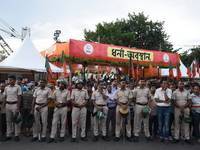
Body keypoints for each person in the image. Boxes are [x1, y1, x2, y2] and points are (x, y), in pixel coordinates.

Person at [172, 80, 194, 145]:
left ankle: (187, 138)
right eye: (180, 84)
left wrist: (183, 107)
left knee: (186, 124)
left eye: (183, 84)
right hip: (177, 109)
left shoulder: (187, 92)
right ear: (178, 85)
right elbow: (174, 101)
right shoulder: (175, 92)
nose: (182, 85)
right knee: (177, 123)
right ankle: (176, 138)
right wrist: (180, 107)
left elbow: (189, 101)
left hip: (186, 109)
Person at [0, 75, 22, 142]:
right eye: (8, 80)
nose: (9, 81)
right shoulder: (7, 88)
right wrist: (2, 107)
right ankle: (9, 135)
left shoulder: (18, 87)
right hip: (8, 105)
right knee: (8, 121)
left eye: (10, 80)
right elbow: (5, 98)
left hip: (15, 104)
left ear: (14, 80)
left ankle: (16, 135)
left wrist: (18, 108)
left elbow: (19, 98)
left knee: (16, 121)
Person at [133, 77, 152, 142]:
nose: (142, 82)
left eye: (143, 81)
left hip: (146, 106)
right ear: (138, 82)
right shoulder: (136, 89)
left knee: (146, 122)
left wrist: (148, 105)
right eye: (141, 81)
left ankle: (147, 135)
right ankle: (136, 135)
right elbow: (134, 98)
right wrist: (137, 104)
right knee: (137, 122)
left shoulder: (147, 89)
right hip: (138, 106)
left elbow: (149, 98)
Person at [154, 79, 172, 145]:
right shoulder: (157, 90)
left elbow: (167, 99)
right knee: (160, 124)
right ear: (161, 84)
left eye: (166, 83)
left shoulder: (169, 91)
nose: (165, 85)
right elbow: (156, 99)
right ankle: (161, 137)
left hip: (167, 109)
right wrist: (164, 101)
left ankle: (166, 138)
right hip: (159, 108)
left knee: (166, 124)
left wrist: (164, 92)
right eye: (164, 83)